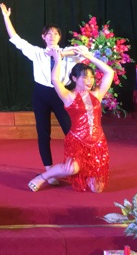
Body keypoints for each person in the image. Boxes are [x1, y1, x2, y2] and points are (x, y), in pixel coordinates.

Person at [0, 4, 77, 184]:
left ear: (60, 37)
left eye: (55, 33)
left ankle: (74, 165)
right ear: (43, 37)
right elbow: (15, 38)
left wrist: (62, 53)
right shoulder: (37, 53)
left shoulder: (70, 54)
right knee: (43, 133)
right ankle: (49, 172)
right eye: (48, 34)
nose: (52, 36)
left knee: (70, 132)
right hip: (41, 94)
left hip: (61, 94)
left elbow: (87, 52)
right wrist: (6, 18)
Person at [28, 45, 113, 192]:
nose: (89, 80)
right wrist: (58, 60)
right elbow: (55, 79)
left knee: (97, 189)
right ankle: (43, 177)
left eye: (91, 77)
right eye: (85, 77)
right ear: (74, 78)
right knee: (71, 169)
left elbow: (109, 72)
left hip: (98, 142)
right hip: (77, 142)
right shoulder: (68, 96)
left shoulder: (97, 94)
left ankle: (85, 170)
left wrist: (89, 57)